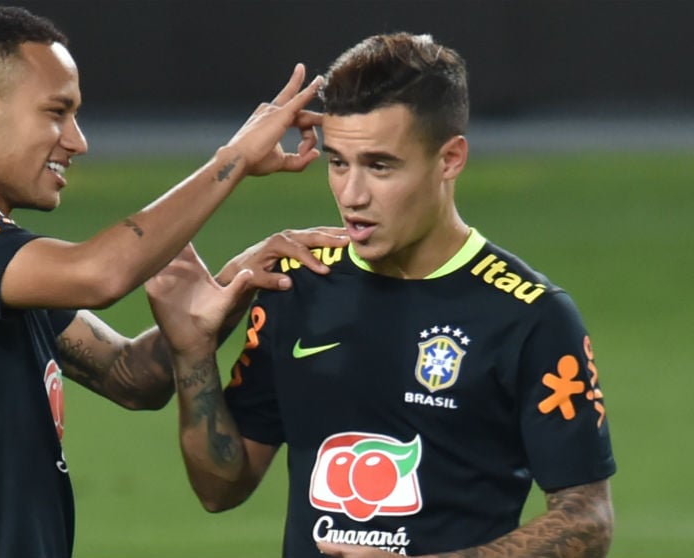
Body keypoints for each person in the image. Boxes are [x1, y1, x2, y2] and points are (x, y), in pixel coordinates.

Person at [0, 5, 348, 558]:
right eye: (57, 111)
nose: (77, 140)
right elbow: (100, 273)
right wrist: (233, 161)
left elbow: (129, 376)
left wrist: (233, 285)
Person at [146, 32, 615, 557]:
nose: (353, 196)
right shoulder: (296, 285)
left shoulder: (530, 315)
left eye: (380, 165)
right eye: (338, 163)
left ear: (450, 159)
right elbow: (220, 487)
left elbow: (588, 520)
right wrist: (193, 356)